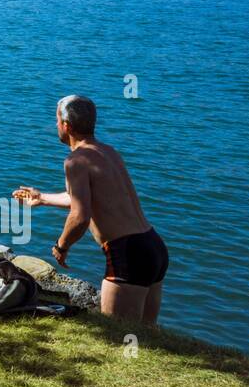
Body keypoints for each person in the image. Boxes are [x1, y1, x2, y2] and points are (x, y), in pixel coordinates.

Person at [13, 95, 169, 324]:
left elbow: (80, 215)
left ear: (66, 126)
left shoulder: (75, 161)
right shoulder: (108, 152)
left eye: (56, 120)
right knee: (145, 335)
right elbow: (87, 199)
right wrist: (42, 198)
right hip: (153, 247)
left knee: (117, 335)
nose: (55, 125)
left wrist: (61, 245)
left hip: (127, 253)